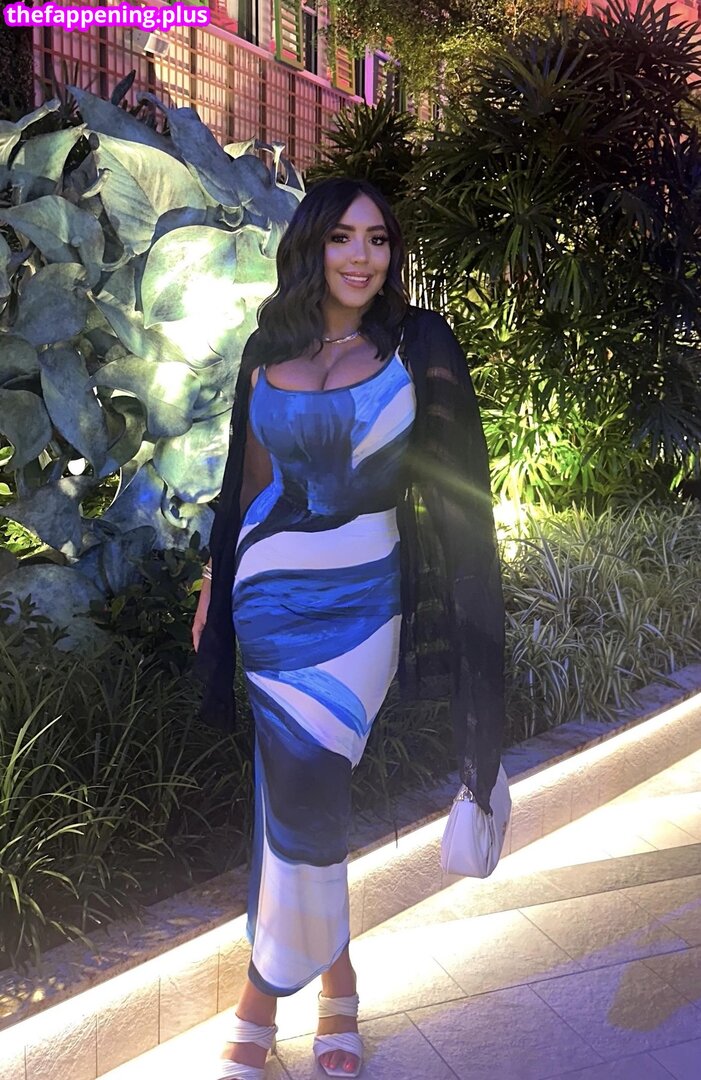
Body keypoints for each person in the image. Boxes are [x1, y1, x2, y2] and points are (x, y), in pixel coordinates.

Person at [193, 177, 505, 1080]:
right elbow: (249, 482)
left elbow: (459, 484)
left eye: (377, 238)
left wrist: (470, 598)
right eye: (342, 237)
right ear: (312, 246)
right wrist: (216, 580)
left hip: (364, 600)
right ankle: (336, 985)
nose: (362, 256)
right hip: (267, 597)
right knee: (291, 790)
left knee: (306, 780)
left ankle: (261, 996)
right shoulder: (269, 345)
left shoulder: (417, 342)